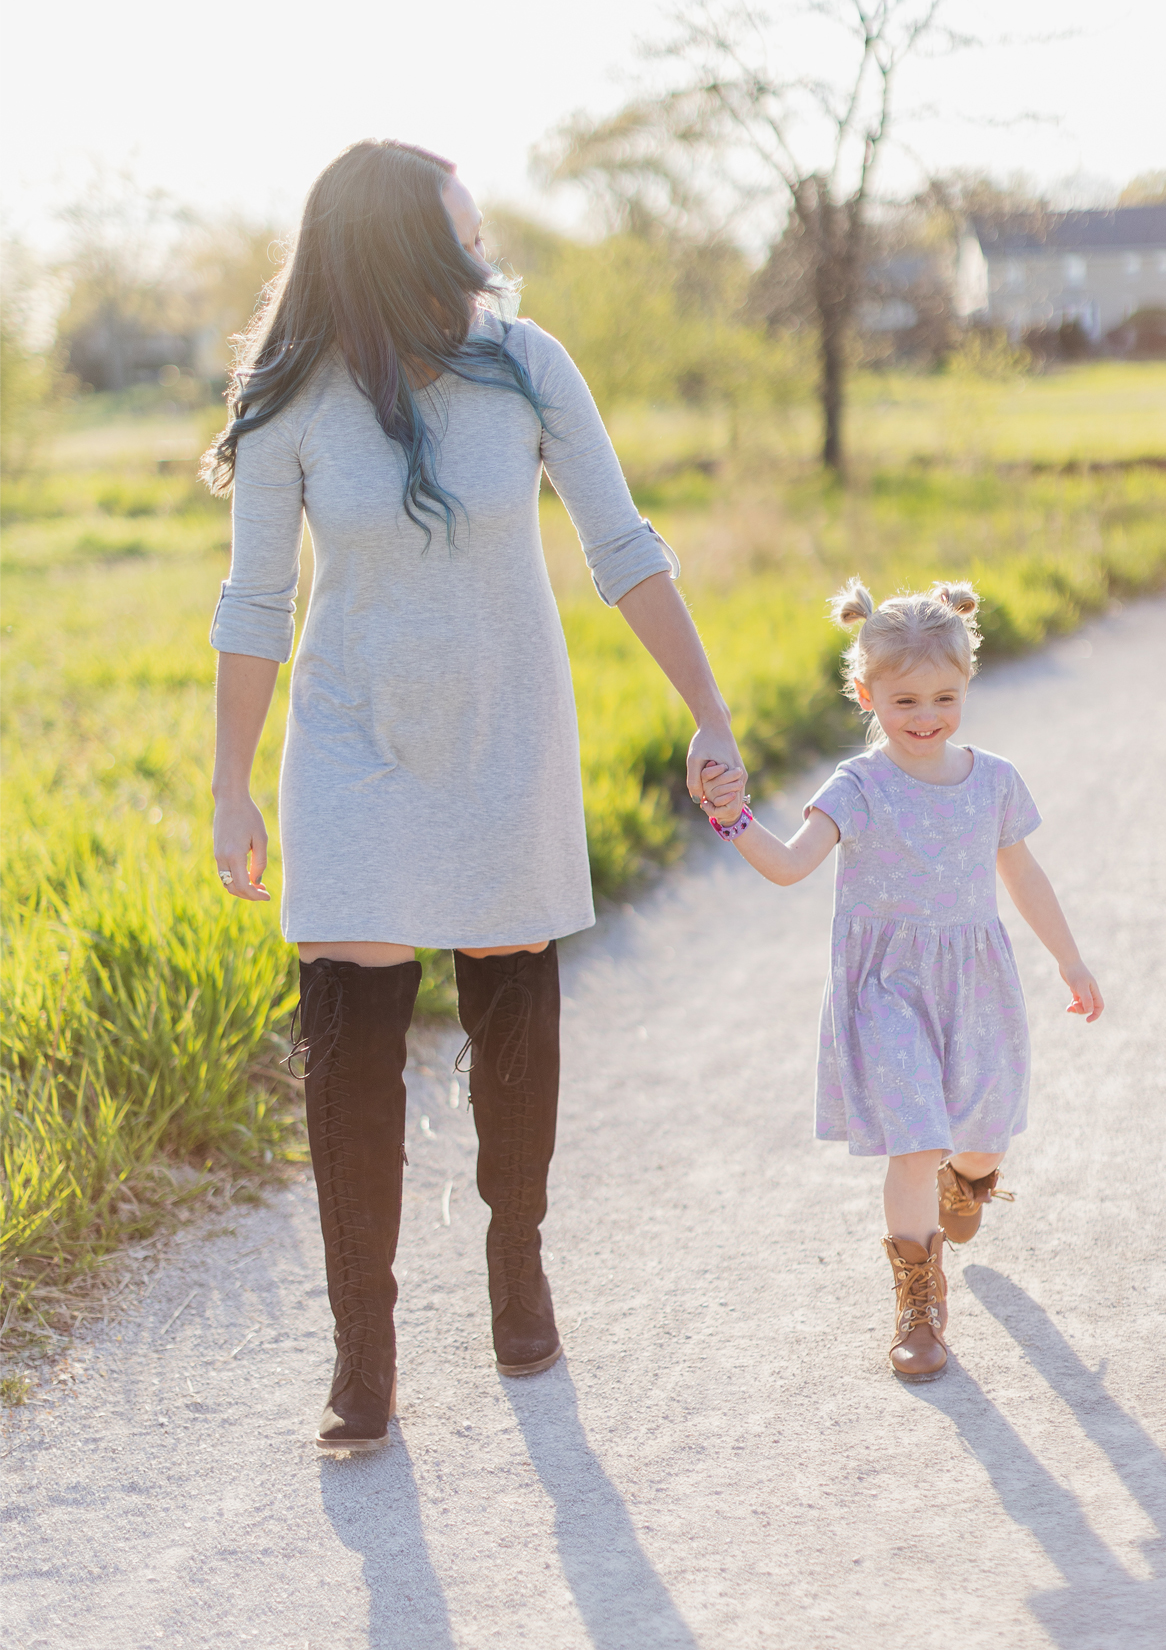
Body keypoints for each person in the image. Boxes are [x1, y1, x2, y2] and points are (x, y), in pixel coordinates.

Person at [205, 139, 744, 1456]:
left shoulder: (528, 364)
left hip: (506, 734)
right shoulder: (295, 403)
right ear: (399, 246)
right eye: (461, 226)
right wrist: (230, 782)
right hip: (352, 744)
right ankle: (363, 1360)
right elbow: (256, 601)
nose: (484, 245)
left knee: (510, 994)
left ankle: (517, 1267)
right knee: (352, 1026)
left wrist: (710, 709)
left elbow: (622, 545)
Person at [692, 579, 1102, 1383]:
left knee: (981, 1138)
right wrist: (729, 816)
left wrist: (1070, 957)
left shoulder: (994, 781)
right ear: (865, 692)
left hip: (974, 982)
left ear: (967, 685)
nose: (926, 716)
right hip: (887, 990)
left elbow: (1024, 874)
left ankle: (971, 1179)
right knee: (915, 1139)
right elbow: (787, 864)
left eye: (944, 696)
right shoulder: (859, 788)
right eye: (904, 698)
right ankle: (920, 1297)